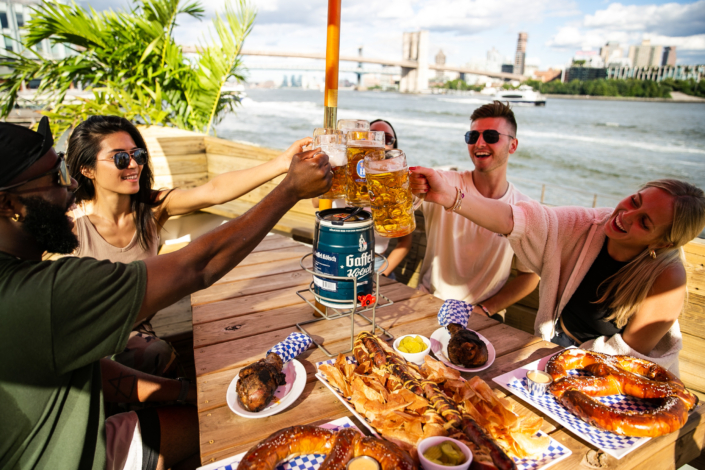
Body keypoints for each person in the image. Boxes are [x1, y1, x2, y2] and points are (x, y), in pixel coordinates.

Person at [0, 117, 331, 468]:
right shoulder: (47, 289)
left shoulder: (143, 211)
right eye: (55, 179)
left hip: (91, 405)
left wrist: (187, 394)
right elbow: (197, 266)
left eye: (138, 154)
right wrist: (289, 190)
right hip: (79, 457)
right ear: (8, 205)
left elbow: (90, 368)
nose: (68, 189)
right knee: (221, 429)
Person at [65, 115, 311, 376]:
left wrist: (282, 164)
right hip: (87, 341)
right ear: (87, 169)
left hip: (136, 336)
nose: (134, 164)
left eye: (137, 154)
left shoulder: (151, 209)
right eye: (120, 159)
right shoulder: (69, 226)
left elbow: (214, 191)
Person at [411, 163, 705, 371]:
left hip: (611, 374)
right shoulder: (589, 225)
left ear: (662, 243)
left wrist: (558, 360)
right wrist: (448, 196)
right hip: (551, 347)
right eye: (635, 201)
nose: (626, 215)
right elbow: (522, 220)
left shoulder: (667, 277)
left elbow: (629, 358)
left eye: (644, 222)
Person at [416, 101, 539, 321]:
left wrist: (486, 310)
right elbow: (403, 199)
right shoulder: (443, 182)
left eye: (491, 136)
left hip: (484, 315)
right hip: (430, 302)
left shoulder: (522, 208)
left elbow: (530, 276)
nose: (479, 143)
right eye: (472, 137)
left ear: (513, 145)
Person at [313, 118, 411, 278]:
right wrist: (332, 165)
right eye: (371, 137)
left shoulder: (397, 184)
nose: (380, 143)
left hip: (377, 265)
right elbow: (315, 202)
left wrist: (382, 275)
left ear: (394, 146)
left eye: (387, 139)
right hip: (338, 256)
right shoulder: (348, 175)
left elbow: (405, 242)